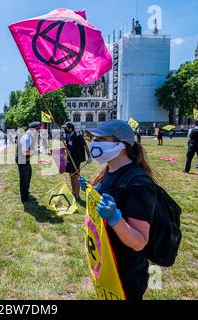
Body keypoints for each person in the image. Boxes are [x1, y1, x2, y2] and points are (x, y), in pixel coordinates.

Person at [79, 120, 157, 300]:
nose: (94, 143)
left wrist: (115, 218)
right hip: (108, 262)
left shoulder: (139, 183)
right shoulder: (108, 170)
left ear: (121, 145)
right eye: (94, 138)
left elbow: (139, 242)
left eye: (101, 138)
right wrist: (93, 190)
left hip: (126, 272)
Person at [62, 122, 92, 201]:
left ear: (70, 128)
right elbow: (69, 147)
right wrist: (64, 149)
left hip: (76, 159)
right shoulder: (68, 136)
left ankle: (77, 195)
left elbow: (85, 146)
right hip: (70, 159)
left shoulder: (78, 136)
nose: (65, 129)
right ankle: (73, 192)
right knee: (71, 175)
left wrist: (89, 156)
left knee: (76, 176)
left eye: (66, 128)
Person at [16, 122, 40, 203]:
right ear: (33, 129)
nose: (38, 131)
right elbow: (24, 152)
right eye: (37, 129)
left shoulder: (30, 136)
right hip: (22, 160)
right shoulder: (27, 137)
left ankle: (26, 193)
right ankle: (24, 198)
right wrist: (36, 152)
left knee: (28, 175)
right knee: (24, 179)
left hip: (25, 160)